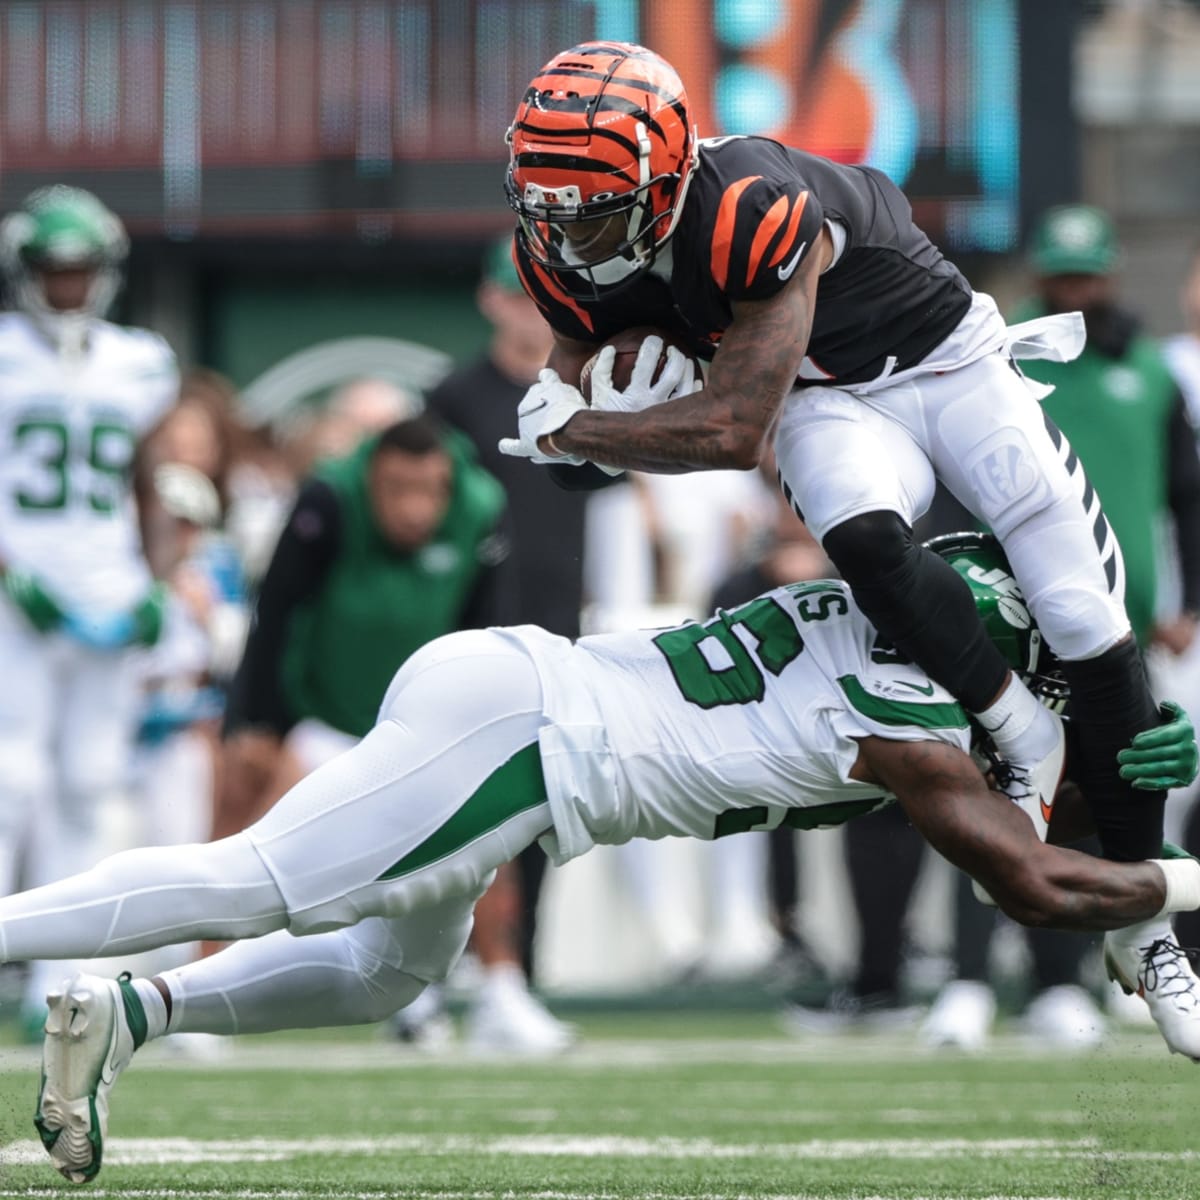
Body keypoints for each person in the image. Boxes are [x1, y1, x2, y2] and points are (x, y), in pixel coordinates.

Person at [8, 535, 1200, 1185]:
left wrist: (1124, 786)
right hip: (532, 740)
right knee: (256, 880)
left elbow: (1045, 826)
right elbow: (1029, 880)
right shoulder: (905, 719)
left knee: (384, 975)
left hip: (522, 705)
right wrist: (1179, 882)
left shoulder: (896, 655)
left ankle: (129, 1011)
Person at [496, 40, 1183, 998]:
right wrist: (570, 442)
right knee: (860, 537)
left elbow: (736, 431)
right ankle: (1020, 731)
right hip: (831, 399)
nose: (573, 240)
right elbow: (577, 459)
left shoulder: (747, 202)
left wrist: (588, 430)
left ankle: (1149, 929)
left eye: (597, 211)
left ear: (661, 178)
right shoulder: (564, 255)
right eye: (551, 209)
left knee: (1079, 611)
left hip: (948, 364)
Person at [924, 208, 1200, 1051]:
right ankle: (969, 979)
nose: (1074, 289)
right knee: (991, 791)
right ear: (1043, 277)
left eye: (1087, 275)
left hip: (1120, 630)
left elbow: (1186, 496)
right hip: (1016, 620)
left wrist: (1187, 603)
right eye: (1062, 275)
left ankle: (1062, 981)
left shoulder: (1151, 371)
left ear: (1110, 276)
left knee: (1109, 797)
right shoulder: (1005, 363)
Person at [0, 186, 179, 1036]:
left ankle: (54, 977)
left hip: (106, 589)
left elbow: (152, 483)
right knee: (9, 780)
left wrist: (157, 580)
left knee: (85, 785)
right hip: (15, 592)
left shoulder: (139, 361)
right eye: (54, 272)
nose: (69, 287)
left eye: (81, 272)